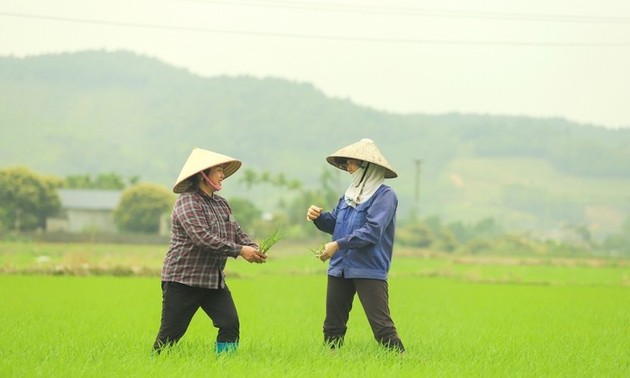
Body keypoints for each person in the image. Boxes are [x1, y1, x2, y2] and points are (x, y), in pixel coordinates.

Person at [153, 147, 267, 354]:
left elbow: (236, 231)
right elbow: (203, 239)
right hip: (183, 280)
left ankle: (224, 367)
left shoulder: (222, 205)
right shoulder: (187, 202)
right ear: (203, 175)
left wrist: (252, 247)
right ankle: (153, 364)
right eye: (218, 170)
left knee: (230, 324)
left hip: (213, 281)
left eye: (223, 170)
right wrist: (240, 251)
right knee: (170, 335)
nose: (223, 175)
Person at [306, 138, 405, 353]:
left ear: (368, 167)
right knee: (332, 326)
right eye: (347, 164)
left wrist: (337, 245)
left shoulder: (385, 196)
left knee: (382, 328)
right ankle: (330, 365)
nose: (348, 168)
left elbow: (372, 232)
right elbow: (334, 223)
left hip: (368, 268)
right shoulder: (348, 197)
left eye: (351, 164)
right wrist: (318, 217)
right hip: (339, 268)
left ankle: (404, 364)